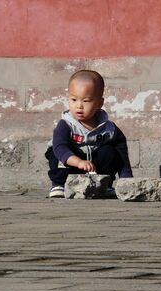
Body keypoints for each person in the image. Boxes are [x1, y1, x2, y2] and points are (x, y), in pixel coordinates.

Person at [45, 70, 133, 198]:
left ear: (99, 103)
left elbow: (122, 153)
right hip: (71, 163)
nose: (79, 106)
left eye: (86, 101)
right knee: (56, 152)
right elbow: (60, 148)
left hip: (93, 167)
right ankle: (59, 184)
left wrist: (126, 178)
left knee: (110, 151)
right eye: (74, 99)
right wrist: (78, 162)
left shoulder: (109, 128)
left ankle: (104, 184)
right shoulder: (66, 124)